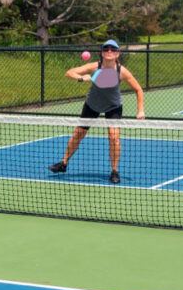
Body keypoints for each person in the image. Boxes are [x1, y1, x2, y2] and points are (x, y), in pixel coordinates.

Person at [49, 39, 145, 183]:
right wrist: (81, 78)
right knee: (78, 134)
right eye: (106, 49)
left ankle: (114, 171)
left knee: (114, 137)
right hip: (92, 104)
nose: (109, 51)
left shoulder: (121, 71)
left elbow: (138, 89)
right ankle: (63, 163)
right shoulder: (94, 67)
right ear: (102, 53)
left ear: (117, 53)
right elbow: (69, 72)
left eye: (113, 49)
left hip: (113, 106)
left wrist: (140, 111)